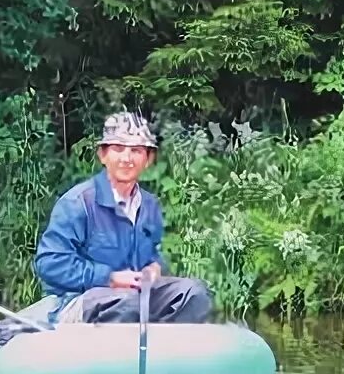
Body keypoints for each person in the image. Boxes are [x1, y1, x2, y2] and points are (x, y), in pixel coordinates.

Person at [33, 111, 213, 324]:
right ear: (103, 155)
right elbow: (49, 264)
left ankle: (168, 353)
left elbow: (152, 255)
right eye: (118, 149)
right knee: (126, 301)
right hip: (76, 301)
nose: (126, 159)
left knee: (195, 293)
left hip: (135, 297)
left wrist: (155, 268)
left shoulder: (149, 204)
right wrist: (109, 278)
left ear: (148, 159)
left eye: (136, 151)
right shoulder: (77, 203)